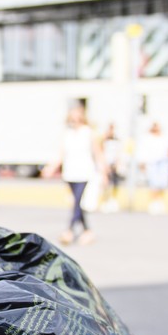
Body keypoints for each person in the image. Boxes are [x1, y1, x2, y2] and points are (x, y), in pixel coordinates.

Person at [45, 105, 100, 245]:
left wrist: (103, 171)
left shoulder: (88, 132)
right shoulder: (67, 133)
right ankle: (87, 230)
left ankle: (68, 230)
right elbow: (61, 153)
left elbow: (97, 153)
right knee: (78, 203)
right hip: (70, 172)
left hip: (85, 172)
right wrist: (51, 167)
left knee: (77, 201)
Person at [136, 121, 168, 213]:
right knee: (154, 183)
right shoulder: (147, 138)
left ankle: (159, 201)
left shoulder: (164, 137)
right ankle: (153, 202)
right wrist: (142, 163)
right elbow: (142, 150)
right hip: (152, 162)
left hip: (163, 162)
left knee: (162, 183)